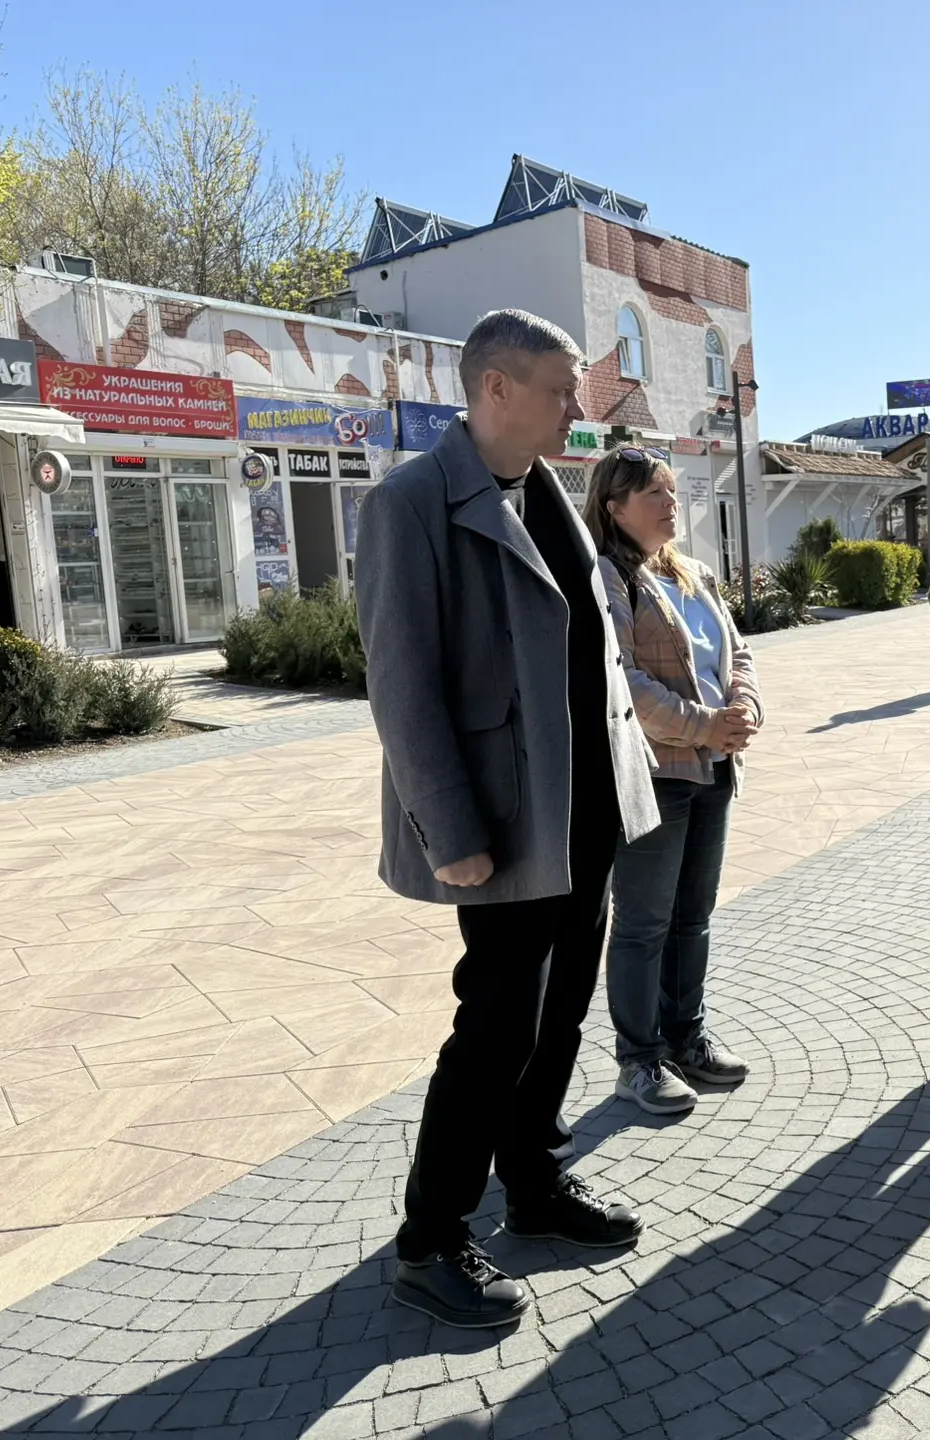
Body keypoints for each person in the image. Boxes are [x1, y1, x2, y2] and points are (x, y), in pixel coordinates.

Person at [355, 309, 663, 1330]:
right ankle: (431, 1238)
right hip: (504, 822)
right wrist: (451, 833)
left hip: (585, 813)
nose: (577, 408)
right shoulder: (410, 504)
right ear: (496, 388)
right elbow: (402, 687)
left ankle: (531, 1181)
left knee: (562, 1009)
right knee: (496, 1027)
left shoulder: (546, 494)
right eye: (560, 389)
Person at [586, 446, 763, 1116]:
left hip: (714, 768)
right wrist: (704, 725)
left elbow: (737, 652)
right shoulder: (608, 578)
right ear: (614, 508)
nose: (670, 503)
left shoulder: (693, 573)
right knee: (644, 923)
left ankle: (686, 1038)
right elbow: (623, 681)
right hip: (656, 775)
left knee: (693, 916)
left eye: (670, 489)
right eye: (653, 494)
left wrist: (743, 708)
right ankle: (639, 1060)